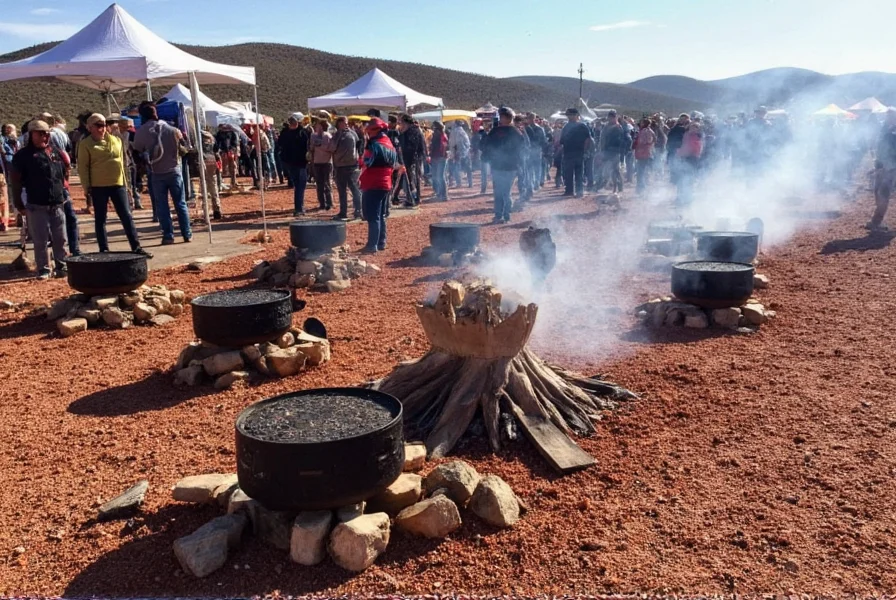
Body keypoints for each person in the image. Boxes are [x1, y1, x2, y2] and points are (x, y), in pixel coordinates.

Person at [78, 113, 152, 257]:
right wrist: (87, 188)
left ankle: (136, 247)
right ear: (90, 127)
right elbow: (83, 167)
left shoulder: (116, 140)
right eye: (99, 126)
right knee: (101, 218)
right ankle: (104, 249)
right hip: (98, 186)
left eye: (104, 125)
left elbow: (123, 164)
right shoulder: (85, 144)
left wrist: (127, 185)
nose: (103, 128)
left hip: (118, 184)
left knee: (126, 215)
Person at [8, 120, 68, 279]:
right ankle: (44, 269)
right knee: (40, 239)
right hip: (36, 204)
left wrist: (63, 192)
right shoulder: (22, 156)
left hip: (57, 203)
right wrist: (18, 203)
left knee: (60, 238)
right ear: (31, 134)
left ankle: (62, 265)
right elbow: (15, 182)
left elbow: (63, 173)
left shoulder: (55, 152)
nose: (45, 136)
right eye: (41, 133)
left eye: (47, 133)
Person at [132, 101, 192, 244]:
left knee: (162, 206)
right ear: (156, 113)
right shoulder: (172, 130)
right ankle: (186, 234)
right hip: (174, 171)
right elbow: (183, 147)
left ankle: (168, 235)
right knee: (180, 204)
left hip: (157, 173)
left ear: (142, 115)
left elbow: (137, 151)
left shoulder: (141, 131)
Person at [359, 117, 396, 254]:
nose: (368, 132)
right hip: (386, 182)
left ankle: (372, 245)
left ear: (375, 130)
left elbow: (367, 161)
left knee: (372, 215)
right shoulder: (389, 143)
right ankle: (381, 242)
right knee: (381, 214)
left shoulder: (373, 144)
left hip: (373, 182)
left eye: (369, 129)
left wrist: (360, 161)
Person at [484, 106, 525, 224]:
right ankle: (499, 215)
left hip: (509, 167)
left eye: (503, 116)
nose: (501, 118)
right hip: (499, 166)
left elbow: (520, 149)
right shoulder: (497, 131)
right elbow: (487, 146)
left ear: (508, 117)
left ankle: (505, 215)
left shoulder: (514, 132)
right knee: (499, 191)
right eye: (501, 116)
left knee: (505, 192)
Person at [329, 116, 362, 220]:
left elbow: (359, 145)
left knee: (355, 188)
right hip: (340, 166)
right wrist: (338, 136)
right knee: (342, 190)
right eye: (344, 123)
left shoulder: (353, 133)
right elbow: (331, 148)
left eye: (347, 122)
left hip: (352, 165)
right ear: (338, 124)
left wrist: (358, 157)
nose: (347, 124)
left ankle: (359, 211)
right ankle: (343, 212)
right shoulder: (336, 135)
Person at [868, 109, 896, 231]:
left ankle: (876, 222)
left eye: (891, 115)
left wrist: (887, 166)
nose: (888, 117)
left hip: (890, 168)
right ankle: (875, 221)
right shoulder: (884, 129)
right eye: (887, 115)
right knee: (877, 193)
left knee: (883, 194)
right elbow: (880, 148)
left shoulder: (892, 132)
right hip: (880, 166)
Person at [278, 115, 311, 216]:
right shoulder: (302, 133)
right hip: (299, 163)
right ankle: (299, 208)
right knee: (300, 186)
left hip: (291, 163)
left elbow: (279, 145)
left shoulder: (285, 133)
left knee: (298, 185)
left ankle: (299, 206)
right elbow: (307, 145)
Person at [559, 108, 591, 197]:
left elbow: (588, 139)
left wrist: (585, 150)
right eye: (569, 115)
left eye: (571, 115)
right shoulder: (567, 126)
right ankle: (570, 191)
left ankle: (579, 191)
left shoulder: (582, 126)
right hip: (569, 153)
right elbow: (562, 141)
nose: (570, 117)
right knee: (569, 173)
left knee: (579, 173)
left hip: (578, 153)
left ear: (576, 116)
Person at [398, 114, 427, 206]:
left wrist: (410, 161)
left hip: (413, 161)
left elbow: (413, 148)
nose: (400, 124)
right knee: (410, 180)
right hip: (409, 160)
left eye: (401, 122)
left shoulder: (413, 131)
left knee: (413, 180)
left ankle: (414, 199)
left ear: (406, 122)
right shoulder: (407, 131)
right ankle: (411, 198)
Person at [598, 110, 627, 193]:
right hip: (606, 151)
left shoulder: (618, 127)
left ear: (615, 117)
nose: (610, 119)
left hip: (615, 152)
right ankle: (607, 185)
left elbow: (621, 141)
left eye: (612, 117)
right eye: (609, 117)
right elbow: (602, 139)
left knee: (616, 170)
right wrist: (601, 149)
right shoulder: (606, 127)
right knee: (606, 169)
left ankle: (618, 187)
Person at [310, 121, 334, 210]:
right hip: (317, 162)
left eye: (319, 126)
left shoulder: (327, 136)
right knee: (319, 184)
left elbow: (331, 148)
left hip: (326, 162)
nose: (317, 128)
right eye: (316, 126)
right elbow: (311, 148)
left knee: (327, 183)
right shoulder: (313, 136)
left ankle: (329, 203)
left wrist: (320, 145)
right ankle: (322, 203)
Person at [1, 123, 19, 231]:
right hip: (6, 172)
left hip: (6, 171)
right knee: (6, 197)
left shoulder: (11, 143)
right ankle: (4, 222)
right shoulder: (7, 144)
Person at [633, 118, 656, 195]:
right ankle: (642, 189)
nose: (640, 123)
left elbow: (643, 142)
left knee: (641, 172)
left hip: (643, 153)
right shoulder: (649, 131)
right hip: (646, 153)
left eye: (642, 122)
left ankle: (641, 189)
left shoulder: (645, 131)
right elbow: (653, 140)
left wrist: (636, 144)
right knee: (643, 172)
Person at [448, 120, 473, 188]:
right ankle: (470, 183)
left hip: (457, 153)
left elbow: (452, 143)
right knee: (468, 168)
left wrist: (453, 153)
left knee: (457, 168)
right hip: (466, 152)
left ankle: (459, 183)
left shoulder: (454, 132)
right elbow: (468, 143)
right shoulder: (464, 132)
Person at [429, 120, 449, 201]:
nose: (434, 130)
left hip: (440, 158)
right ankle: (439, 193)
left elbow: (444, 147)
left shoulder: (442, 136)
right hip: (435, 157)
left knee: (440, 177)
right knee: (436, 177)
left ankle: (443, 195)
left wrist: (441, 155)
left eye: (435, 128)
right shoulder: (436, 136)